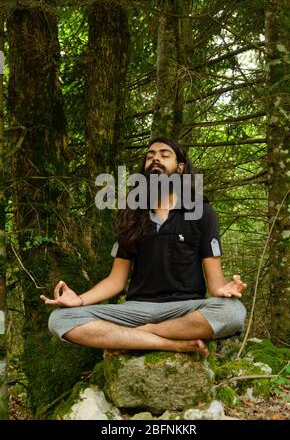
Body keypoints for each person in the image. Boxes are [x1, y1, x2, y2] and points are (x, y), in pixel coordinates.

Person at [41, 137, 247, 356]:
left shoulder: (202, 211)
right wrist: (79, 300)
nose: (155, 158)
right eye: (150, 156)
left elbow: (215, 283)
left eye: (164, 155)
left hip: (186, 308)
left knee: (233, 312)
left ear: (180, 168)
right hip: (136, 308)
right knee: (59, 319)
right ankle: (169, 343)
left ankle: (139, 335)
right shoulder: (132, 214)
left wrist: (225, 289)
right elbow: (116, 281)